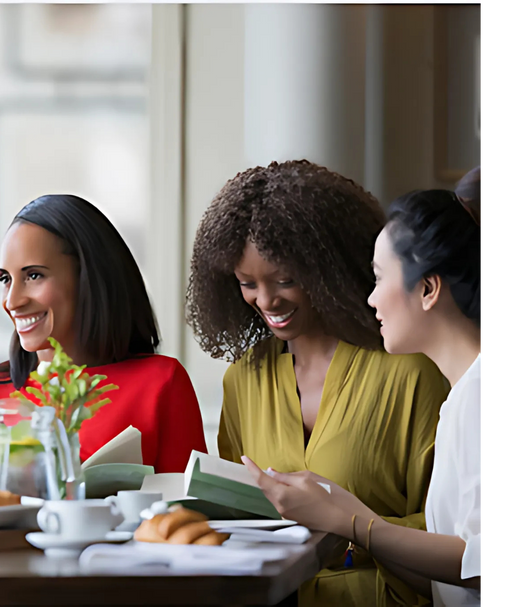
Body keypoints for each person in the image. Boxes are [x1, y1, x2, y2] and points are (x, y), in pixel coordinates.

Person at [185, 160, 449, 607]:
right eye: (248, 283)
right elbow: (237, 522)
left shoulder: (409, 372)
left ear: (328, 265)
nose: (266, 300)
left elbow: (454, 538)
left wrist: (345, 538)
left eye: (285, 279)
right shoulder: (244, 381)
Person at [243, 167, 484, 607]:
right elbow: (445, 576)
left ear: (428, 288)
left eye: (378, 277)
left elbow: (480, 566)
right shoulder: (462, 395)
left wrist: (354, 522)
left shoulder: (479, 394)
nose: (370, 298)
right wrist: (345, 511)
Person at [0, 194, 207, 484]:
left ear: (89, 278)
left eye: (33, 276)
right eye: (5, 279)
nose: (12, 301)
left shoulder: (162, 384)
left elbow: (187, 518)